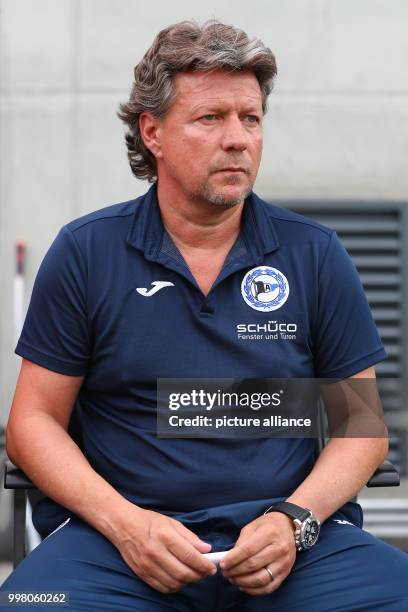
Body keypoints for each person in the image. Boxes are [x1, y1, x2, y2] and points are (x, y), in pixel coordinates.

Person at [2, 19, 408, 612]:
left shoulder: (313, 255)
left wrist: (294, 519)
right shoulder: (87, 252)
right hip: (120, 549)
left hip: (289, 546)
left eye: (251, 118)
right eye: (210, 118)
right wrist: (126, 525)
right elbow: (32, 422)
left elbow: (360, 428)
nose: (238, 138)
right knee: (32, 604)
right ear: (153, 132)